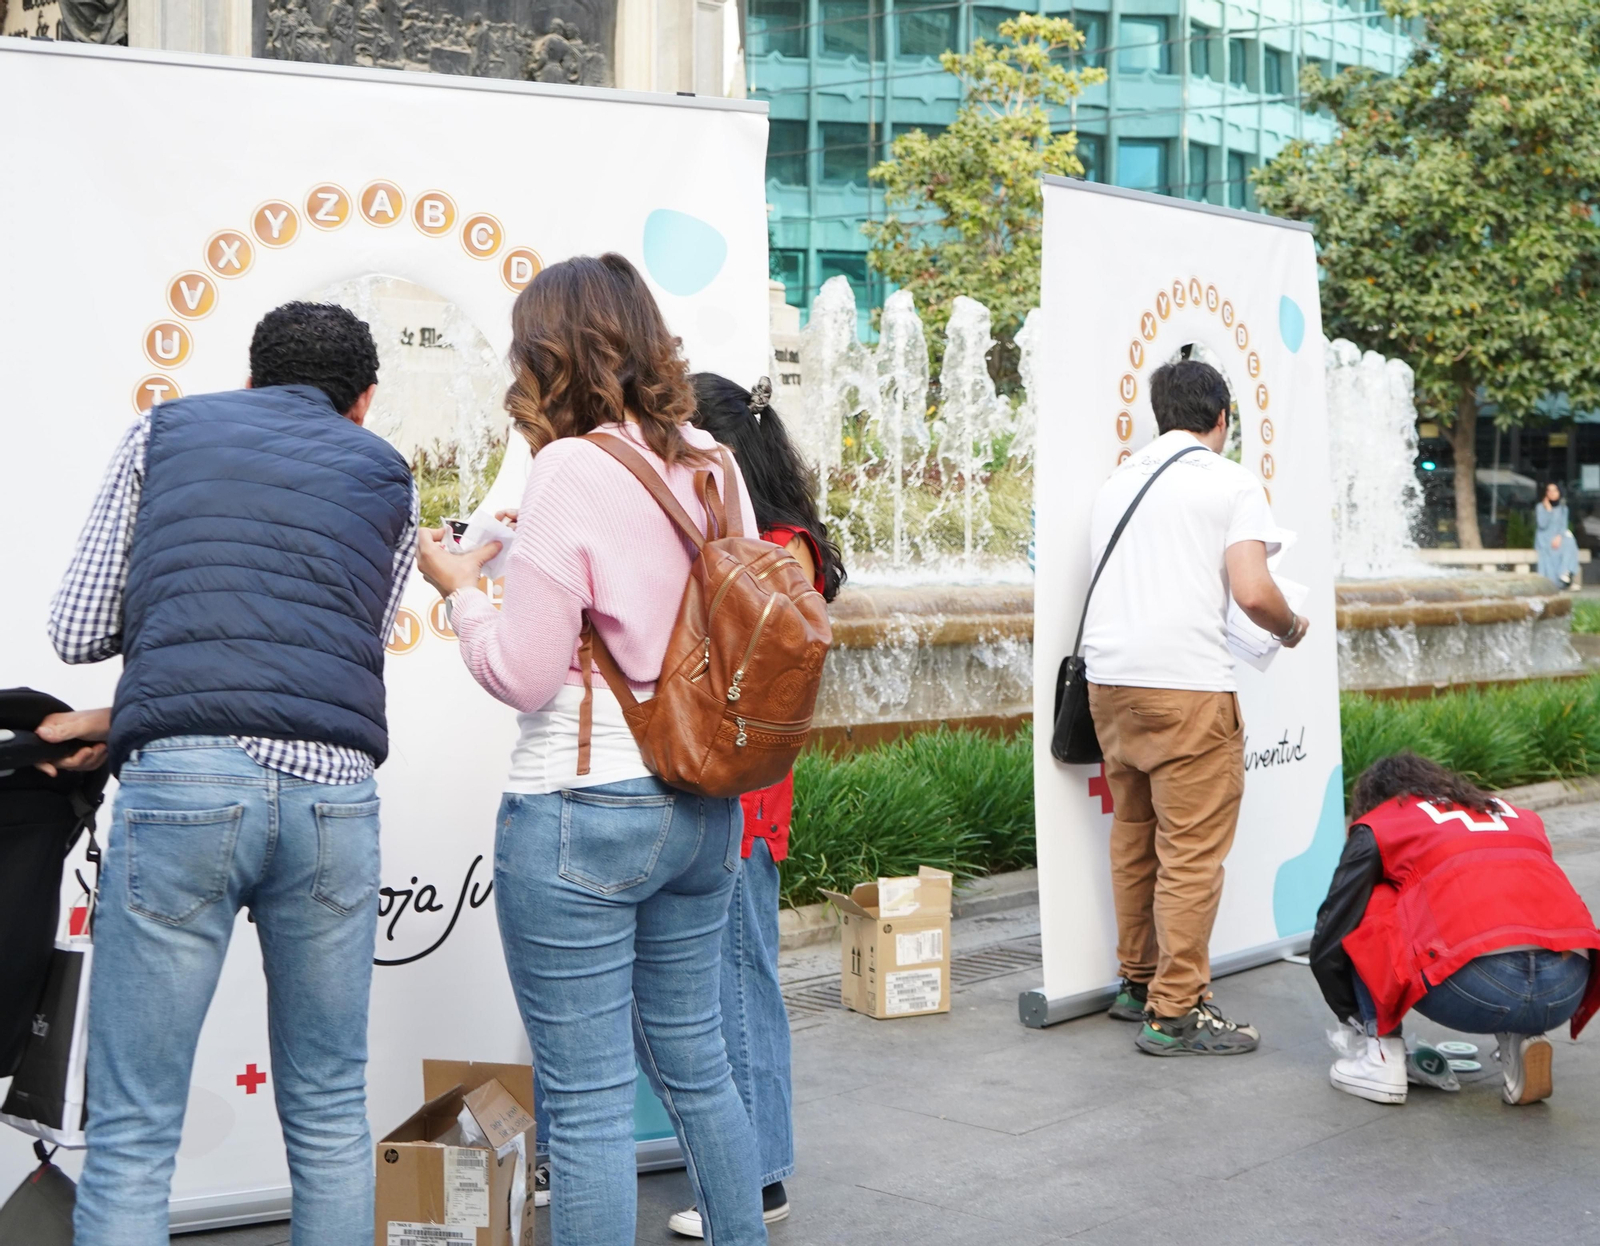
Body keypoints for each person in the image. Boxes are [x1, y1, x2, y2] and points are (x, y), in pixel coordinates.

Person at [413, 253, 769, 1246]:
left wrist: (463, 592)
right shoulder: (714, 462)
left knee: (588, 1104)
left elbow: (522, 674)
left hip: (584, 805)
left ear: (549, 354)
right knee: (700, 1067)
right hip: (702, 800)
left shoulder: (567, 467)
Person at [49, 302, 418, 1246]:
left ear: (249, 378)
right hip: (333, 797)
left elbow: (78, 629)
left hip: (185, 786)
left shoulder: (165, 432)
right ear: (364, 402)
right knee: (331, 1110)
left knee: (134, 1131)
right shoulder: (387, 473)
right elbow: (352, 647)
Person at [648, 373, 847, 1240]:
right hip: (732, 780)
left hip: (742, 785)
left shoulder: (775, 546)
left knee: (737, 981)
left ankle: (758, 1177)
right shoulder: (774, 536)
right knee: (723, 978)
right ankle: (740, 1162)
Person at [1083, 359, 1308, 1056]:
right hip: (1187, 692)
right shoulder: (1231, 482)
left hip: (1110, 687)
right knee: (1191, 856)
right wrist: (1291, 626)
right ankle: (1175, 1012)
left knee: (1134, 839)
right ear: (1222, 417)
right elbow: (1254, 592)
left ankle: (1136, 981)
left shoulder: (1117, 483)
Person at [1311, 751, 1600, 1106]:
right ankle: (1522, 1037)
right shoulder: (1518, 815)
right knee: (1513, 907)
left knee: (1371, 899)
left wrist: (1354, 1017)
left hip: (1480, 990)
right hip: (1569, 987)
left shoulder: (1380, 823)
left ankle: (1381, 1058)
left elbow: (1332, 931)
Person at [1535, 481, 1581, 589]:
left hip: (1559, 537)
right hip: (1545, 539)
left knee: (1570, 542)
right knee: (1565, 546)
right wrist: (1548, 510)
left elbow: (1563, 526)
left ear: (1559, 492)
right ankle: (1564, 574)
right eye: (1549, 490)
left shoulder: (1563, 508)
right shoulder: (1540, 507)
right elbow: (1542, 524)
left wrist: (1559, 537)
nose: (1552, 493)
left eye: (1554, 490)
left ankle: (1564, 572)